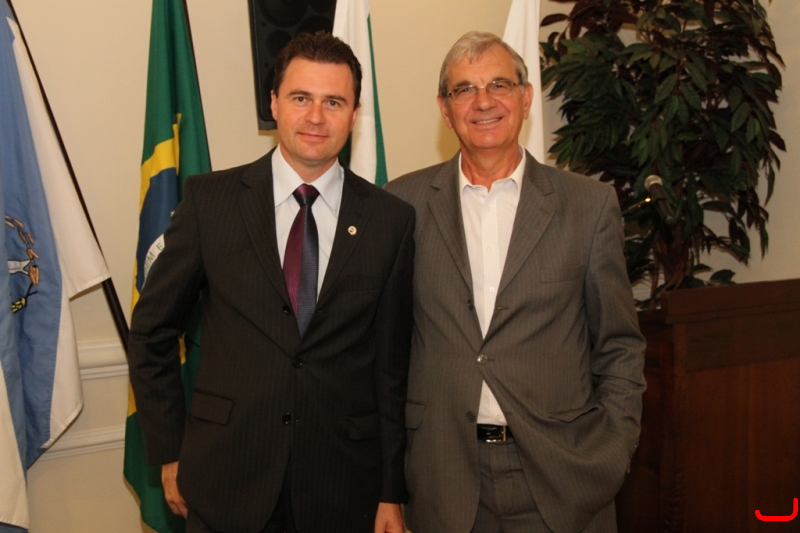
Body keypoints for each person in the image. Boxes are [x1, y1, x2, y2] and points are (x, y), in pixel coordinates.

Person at [128, 31, 413, 533]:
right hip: (223, 477)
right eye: (301, 98)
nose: (316, 117)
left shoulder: (390, 220)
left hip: (343, 487)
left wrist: (391, 491)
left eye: (334, 102)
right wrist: (169, 451)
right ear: (275, 103)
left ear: (354, 113)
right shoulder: (210, 202)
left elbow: (391, 371)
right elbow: (152, 332)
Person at [385, 31, 646, 533]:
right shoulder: (402, 205)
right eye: (464, 89)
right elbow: (387, 352)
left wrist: (613, 451)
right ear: (445, 109)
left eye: (499, 85)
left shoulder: (588, 206)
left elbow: (619, 346)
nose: (483, 101)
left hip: (563, 477)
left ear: (526, 98)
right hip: (442, 477)